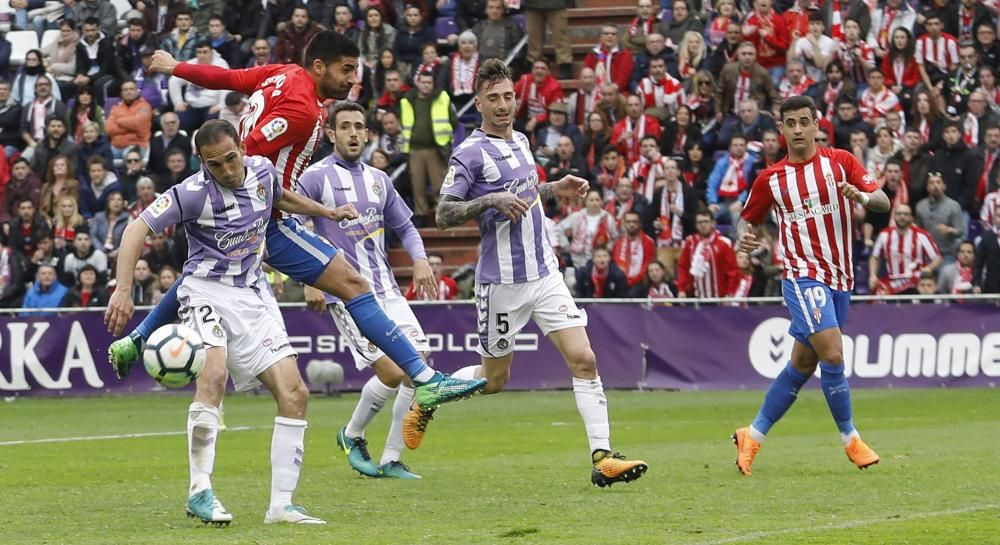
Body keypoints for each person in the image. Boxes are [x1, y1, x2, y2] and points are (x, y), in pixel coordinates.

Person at [108, 31, 486, 419]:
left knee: (201, 273)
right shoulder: (302, 109)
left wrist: (176, 68)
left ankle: (137, 339)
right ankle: (425, 379)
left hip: (259, 212)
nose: (352, 79)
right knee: (354, 284)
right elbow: (246, 154)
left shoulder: (281, 73)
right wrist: (229, 200)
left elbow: (231, 78)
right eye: (346, 70)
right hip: (265, 219)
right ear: (319, 66)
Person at [417, 59, 649, 487]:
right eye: (493, 99)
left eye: (508, 96)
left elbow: (524, 193)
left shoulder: (522, 140)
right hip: (501, 284)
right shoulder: (469, 153)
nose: (503, 105)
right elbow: (444, 212)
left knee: (584, 359)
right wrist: (489, 202)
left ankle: (602, 458)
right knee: (496, 379)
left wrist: (553, 187)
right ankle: (432, 391)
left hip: (544, 274)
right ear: (480, 103)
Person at [105, 121, 345, 525]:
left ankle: (281, 506)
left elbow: (280, 197)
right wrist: (123, 289)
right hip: (205, 291)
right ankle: (200, 491)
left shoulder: (263, 172)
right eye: (216, 165)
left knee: (295, 392)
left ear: (242, 149)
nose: (228, 170)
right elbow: (135, 229)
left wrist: (326, 212)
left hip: (254, 295)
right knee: (212, 376)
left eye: (232, 159)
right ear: (203, 163)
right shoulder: (191, 193)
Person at [734, 95, 890, 476]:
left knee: (803, 364)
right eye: (792, 123)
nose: (799, 129)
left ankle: (751, 435)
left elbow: (883, 202)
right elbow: (748, 222)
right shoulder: (770, 179)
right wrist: (747, 239)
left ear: (817, 125)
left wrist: (864, 196)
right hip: (802, 275)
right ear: (782, 129)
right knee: (833, 355)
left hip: (841, 278)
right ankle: (850, 439)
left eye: (806, 121)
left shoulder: (840, 163)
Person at [297, 102, 436, 479]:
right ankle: (352, 433)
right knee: (392, 371)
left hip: (387, 288)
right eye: (346, 127)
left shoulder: (379, 179)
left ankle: (391, 458)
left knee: (418, 364)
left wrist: (420, 259)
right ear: (331, 134)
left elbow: (405, 226)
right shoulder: (314, 178)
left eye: (359, 126)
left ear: (368, 133)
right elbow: (296, 228)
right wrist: (309, 280)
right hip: (346, 292)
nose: (354, 133)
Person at [868, 204, 942, 295]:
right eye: (899, 214)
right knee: (877, 292)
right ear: (894, 216)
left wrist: (927, 269)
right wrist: (872, 275)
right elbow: (874, 257)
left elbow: (937, 258)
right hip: (892, 280)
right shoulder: (884, 234)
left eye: (906, 214)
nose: (902, 217)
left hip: (915, 281)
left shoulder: (922, 235)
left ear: (911, 217)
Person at [675, 209, 738, 298]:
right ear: (696, 225)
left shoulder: (724, 243)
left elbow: (733, 271)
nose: (703, 225)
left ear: (713, 223)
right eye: (700, 222)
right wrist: (682, 289)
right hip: (697, 298)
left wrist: (730, 293)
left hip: (720, 299)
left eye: (706, 221)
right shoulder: (690, 242)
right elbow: (683, 267)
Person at [612, 210, 655, 287]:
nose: (631, 224)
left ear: (639, 223)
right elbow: (615, 264)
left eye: (634, 222)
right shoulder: (618, 243)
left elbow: (647, 266)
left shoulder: (648, 242)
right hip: (620, 281)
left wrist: (631, 282)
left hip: (639, 282)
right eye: (628, 222)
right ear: (624, 224)